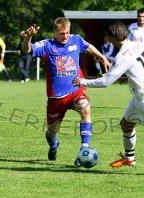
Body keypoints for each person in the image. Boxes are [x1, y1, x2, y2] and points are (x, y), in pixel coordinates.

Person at [72, 19, 144, 168]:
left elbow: (106, 81)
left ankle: (130, 157)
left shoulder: (122, 57)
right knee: (126, 125)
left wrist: (83, 82)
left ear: (111, 37)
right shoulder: (137, 44)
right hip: (139, 98)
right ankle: (129, 158)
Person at [22, 18, 110, 167]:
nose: (65, 36)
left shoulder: (76, 40)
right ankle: (53, 145)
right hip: (56, 98)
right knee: (51, 132)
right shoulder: (47, 45)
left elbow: (88, 47)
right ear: (55, 31)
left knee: (85, 107)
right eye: (62, 33)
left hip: (75, 90)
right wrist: (29, 37)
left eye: (67, 33)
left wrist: (102, 58)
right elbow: (26, 49)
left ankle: (84, 151)